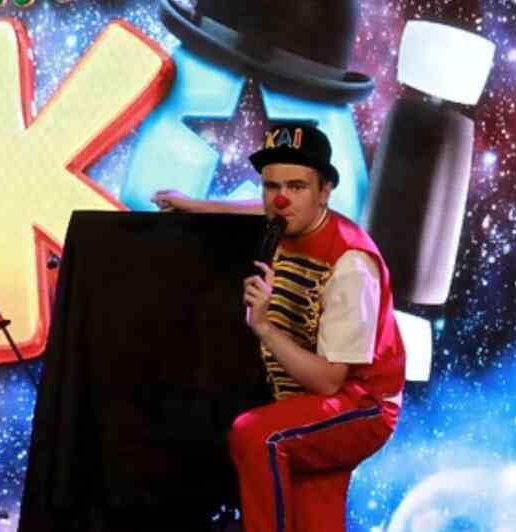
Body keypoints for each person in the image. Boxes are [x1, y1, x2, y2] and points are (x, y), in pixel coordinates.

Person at [154, 123, 405, 532]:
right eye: (271, 186)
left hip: (362, 404)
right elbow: (263, 208)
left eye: (296, 186)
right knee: (315, 521)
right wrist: (195, 206)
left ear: (325, 191)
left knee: (257, 435)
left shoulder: (351, 264)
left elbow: (328, 383)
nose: (281, 199)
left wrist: (266, 328)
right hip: (312, 396)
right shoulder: (289, 215)